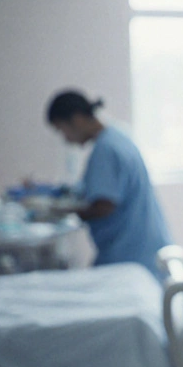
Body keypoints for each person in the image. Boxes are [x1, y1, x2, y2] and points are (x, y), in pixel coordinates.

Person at [45, 90, 172, 280]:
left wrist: (62, 212)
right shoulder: (117, 137)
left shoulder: (106, 149)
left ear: (77, 119)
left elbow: (104, 206)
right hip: (143, 248)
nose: (65, 139)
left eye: (62, 130)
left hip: (129, 255)